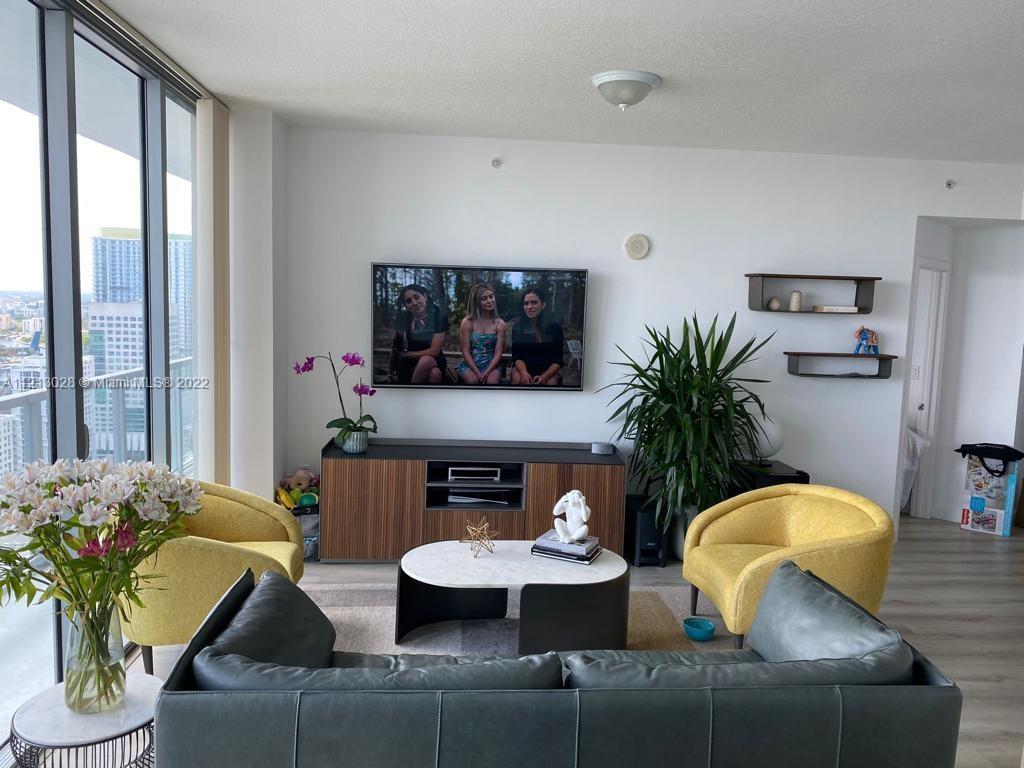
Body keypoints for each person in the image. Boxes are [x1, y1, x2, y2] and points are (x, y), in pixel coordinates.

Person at [392, 284, 448, 384]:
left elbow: (434, 351)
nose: (414, 303)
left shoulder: (438, 317)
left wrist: (406, 354)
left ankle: (411, 391)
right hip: (409, 363)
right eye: (409, 301)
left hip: (433, 360)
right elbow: (395, 347)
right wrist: (390, 373)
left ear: (425, 296)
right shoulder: (403, 319)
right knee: (435, 373)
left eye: (416, 297)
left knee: (427, 362)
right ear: (406, 306)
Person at [510, 287, 564, 386]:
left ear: (543, 305)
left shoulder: (555, 327)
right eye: (526, 303)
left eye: (534, 302)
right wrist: (524, 373)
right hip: (523, 367)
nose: (529, 307)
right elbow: (517, 356)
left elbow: (558, 359)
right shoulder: (518, 327)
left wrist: (545, 376)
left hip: (546, 369)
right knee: (518, 379)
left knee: (551, 382)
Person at [456, 283, 505, 385]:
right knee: (473, 380)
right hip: (470, 365)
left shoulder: (500, 324)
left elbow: (498, 353)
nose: (489, 301)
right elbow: (465, 351)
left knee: (492, 382)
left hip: (492, 365)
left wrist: (487, 372)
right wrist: (477, 372)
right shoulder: (467, 322)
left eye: (491, 296)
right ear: (476, 302)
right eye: (484, 298)